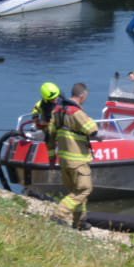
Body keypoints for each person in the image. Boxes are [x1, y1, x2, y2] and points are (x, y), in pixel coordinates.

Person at [46, 82, 99, 231]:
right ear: (82, 95)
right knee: (84, 190)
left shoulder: (57, 111)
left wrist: (52, 158)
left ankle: (79, 222)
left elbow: (50, 136)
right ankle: (58, 214)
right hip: (78, 160)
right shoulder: (76, 112)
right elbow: (92, 130)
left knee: (76, 192)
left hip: (64, 160)